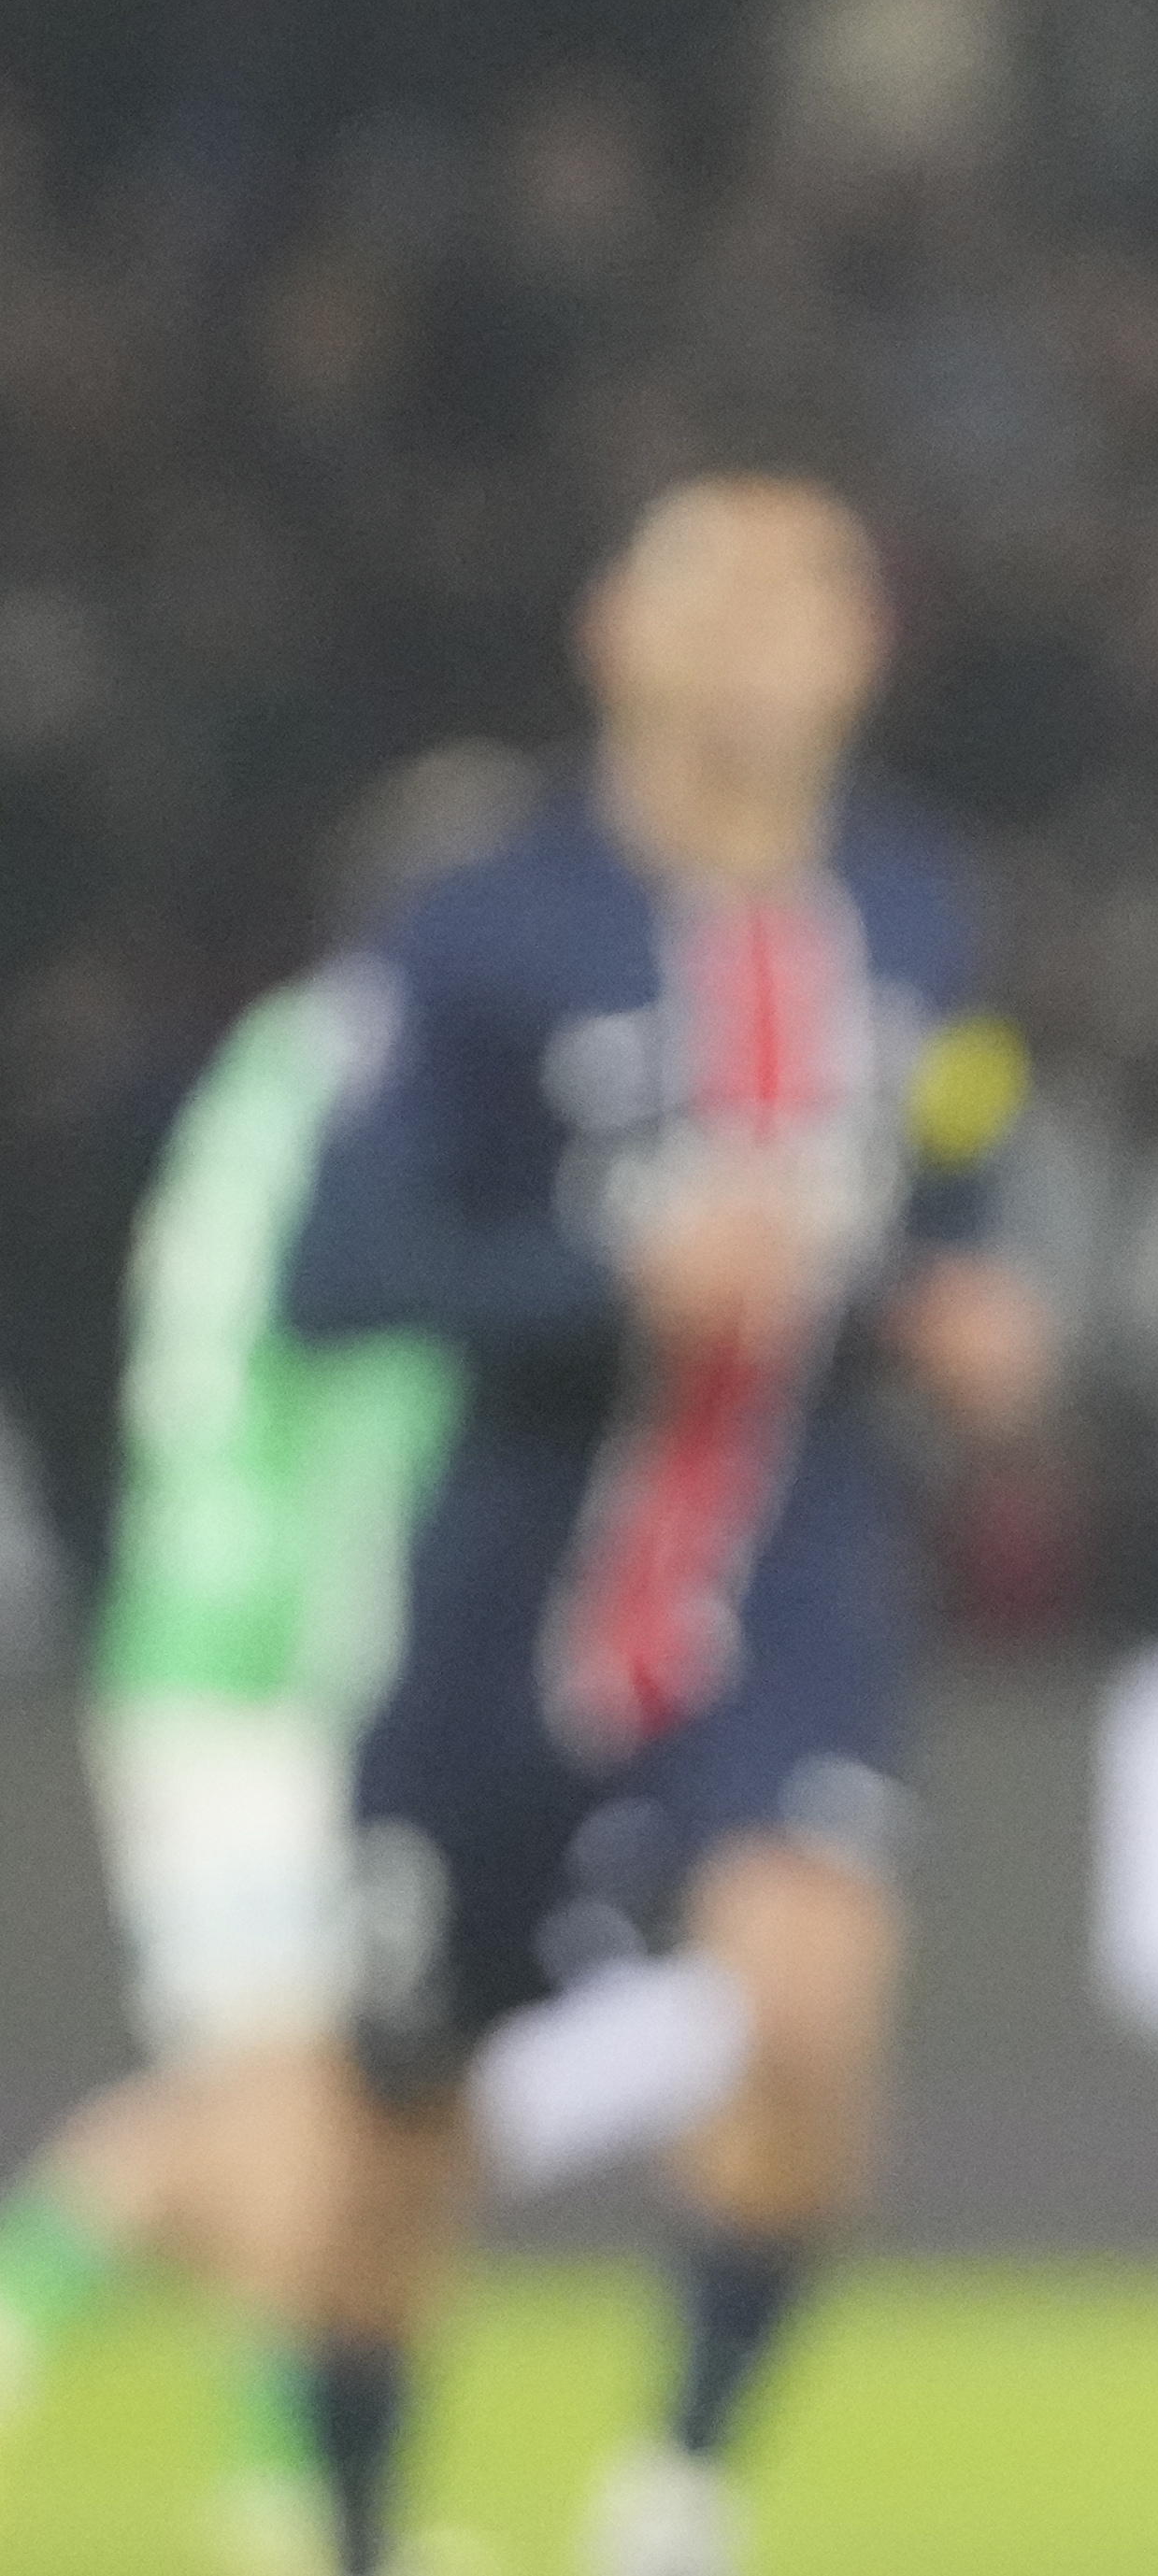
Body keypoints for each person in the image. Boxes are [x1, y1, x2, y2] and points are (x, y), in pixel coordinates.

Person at [277, 477, 1051, 2576]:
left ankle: (673, 2493)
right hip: (515, 1572)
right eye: (707, 582)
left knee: (809, 1998)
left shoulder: (915, 912)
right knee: (392, 2119)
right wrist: (612, 1275)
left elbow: (965, 1145)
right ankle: (351, 2521)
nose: (754, 627)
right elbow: (333, 1263)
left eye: (807, 585)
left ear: (864, 645)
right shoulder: (479, 914)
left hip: (790, 1547)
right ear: (611, 625)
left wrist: (970, 1304)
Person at [0, 750, 548, 2574]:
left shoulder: (304, 1052)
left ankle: (284, 2487)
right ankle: (292, 2499)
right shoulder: (392, 1063)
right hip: (271, 1648)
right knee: (302, 2090)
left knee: (329, 2090)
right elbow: (360, 1358)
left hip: (251, 1630)